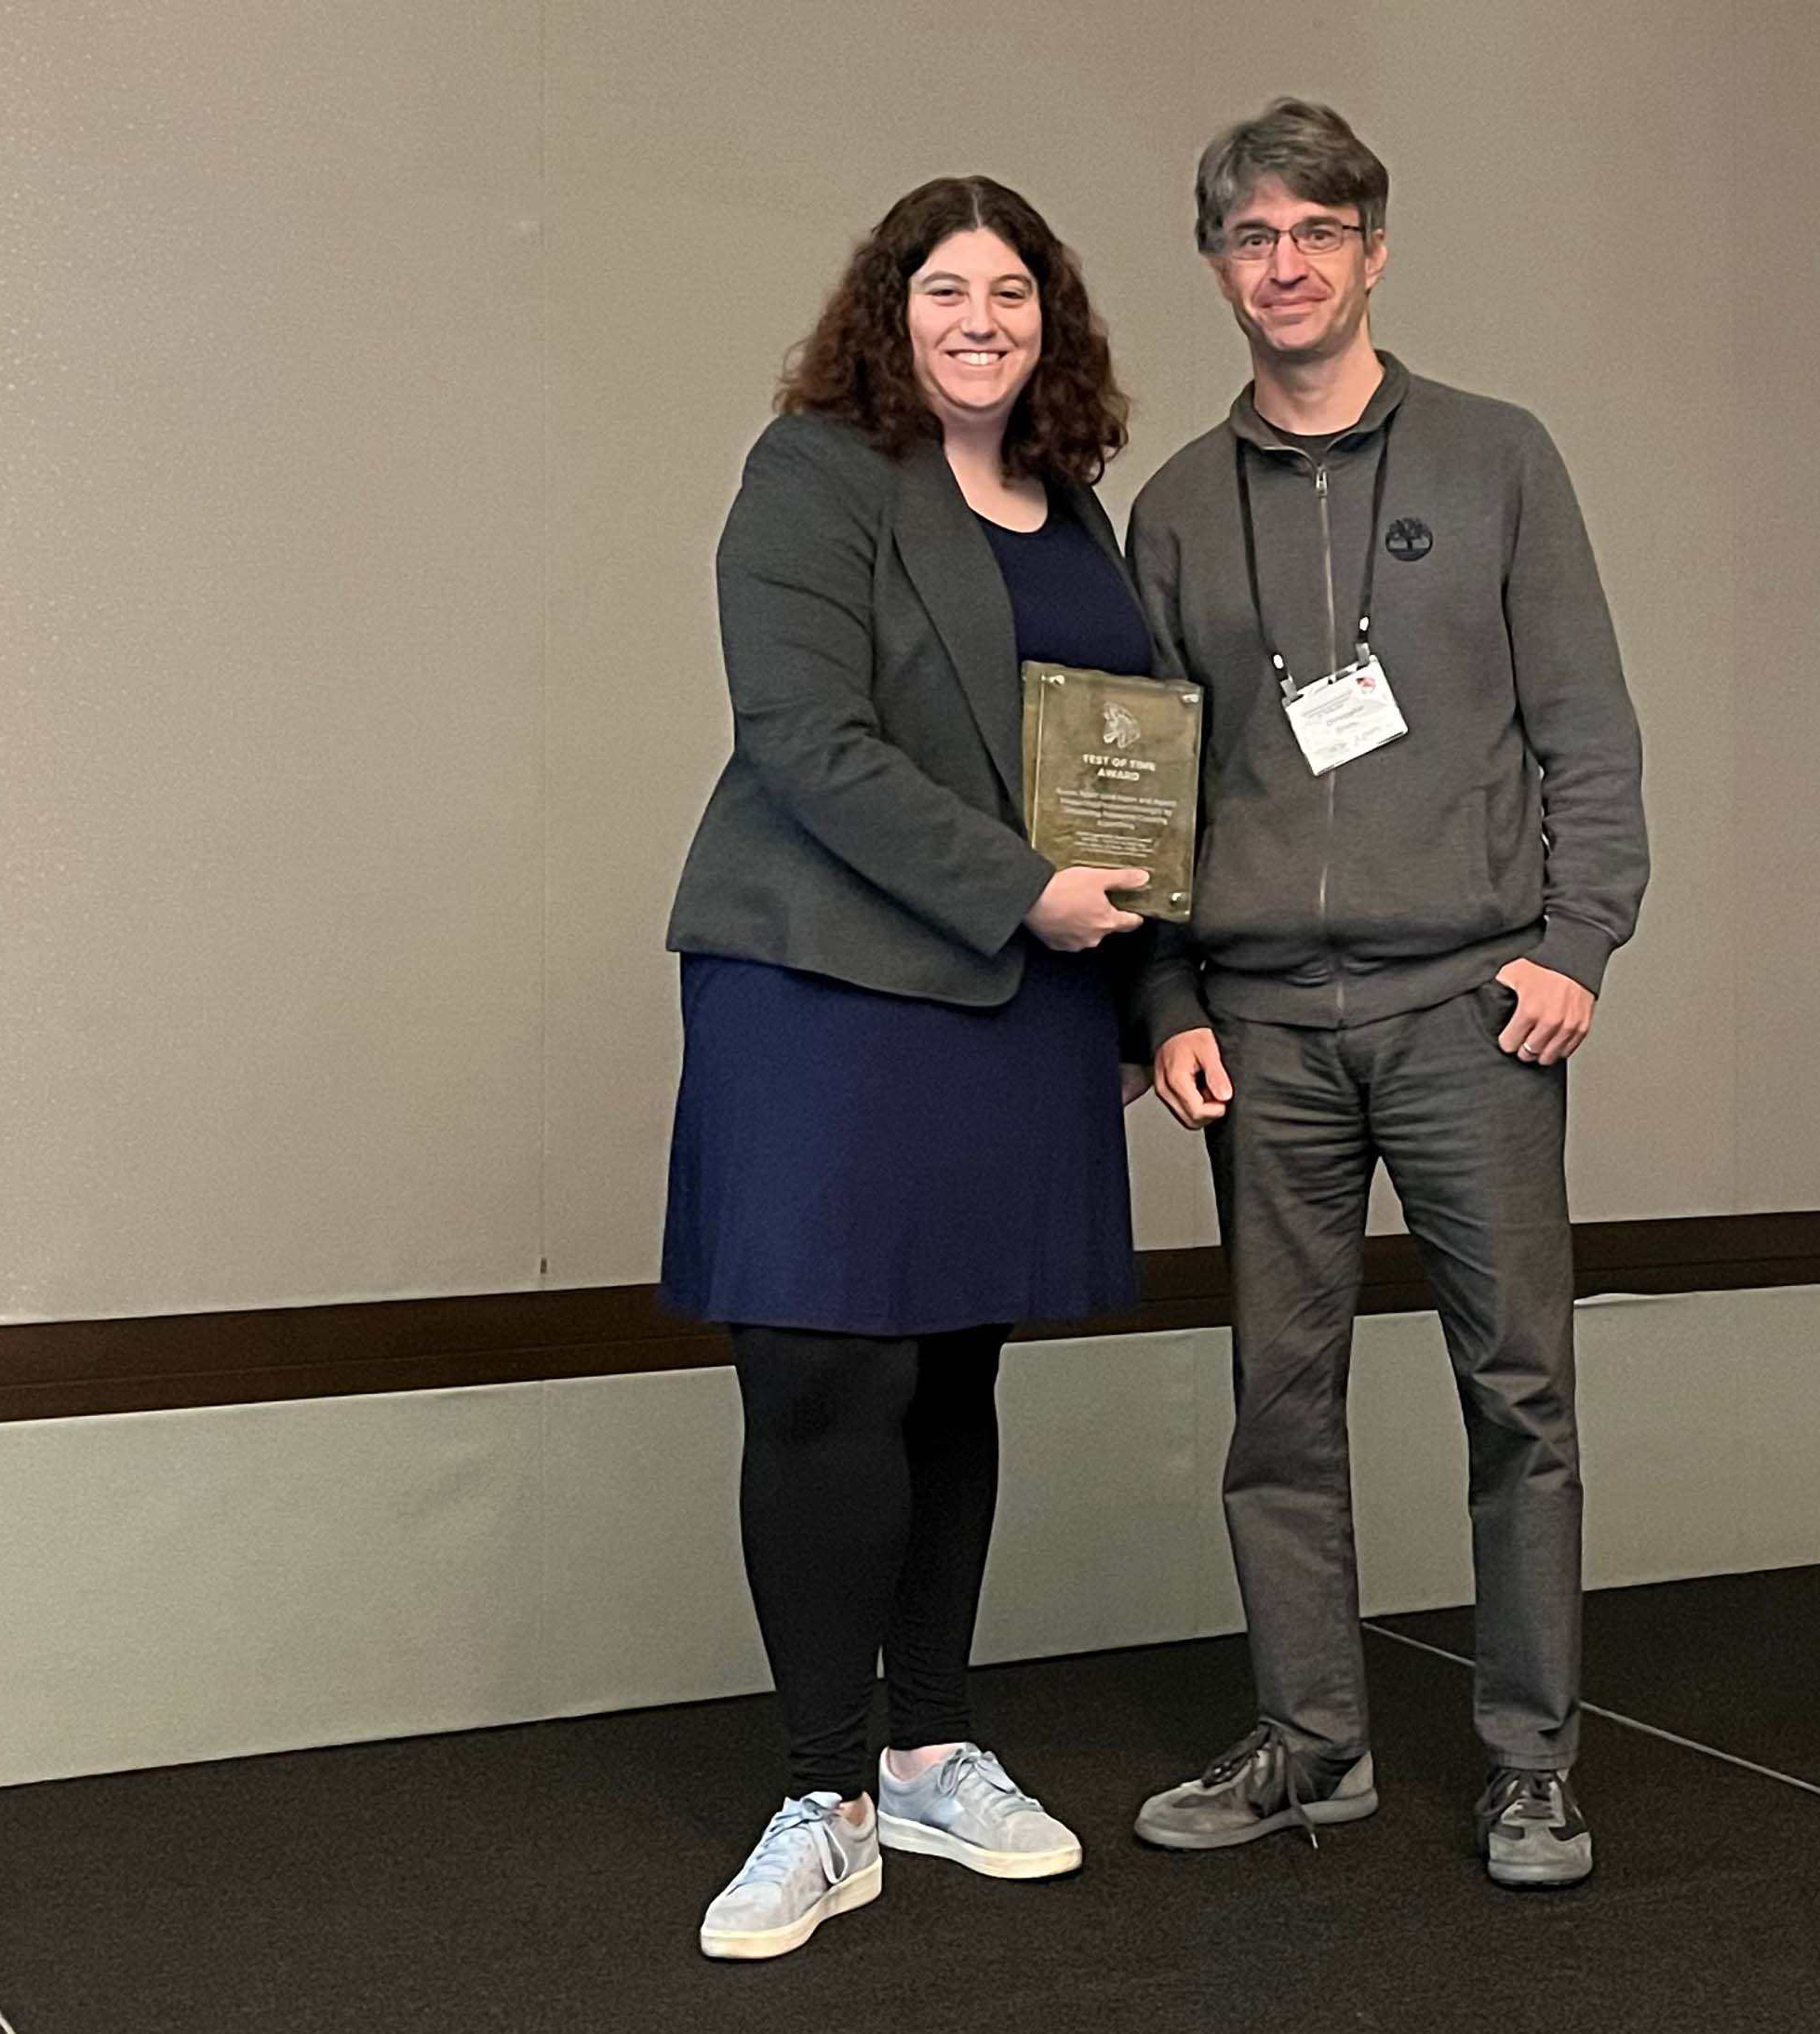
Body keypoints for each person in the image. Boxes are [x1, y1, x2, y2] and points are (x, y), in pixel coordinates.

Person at [1124, 100, 1648, 1889]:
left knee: (1519, 1388)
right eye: (1250, 239)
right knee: (1282, 1395)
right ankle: (1311, 1740)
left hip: (1467, 1009)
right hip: (1259, 1022)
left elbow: (1587, 724)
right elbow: (1149, 789)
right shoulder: (1177, 507)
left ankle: (1529, 1761)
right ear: (1218, 269)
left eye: (1315, 232)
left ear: (1372, 248)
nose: (1285, 266)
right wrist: (1166, 997)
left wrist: (1577, 943)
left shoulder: (1501, 458)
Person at [660, 175, 1158, 1960]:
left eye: (1010, 289)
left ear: (1052, 318)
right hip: (824, 979)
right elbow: (801, 737)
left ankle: (934, 1749)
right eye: (943, 287)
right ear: (890, 308)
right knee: (819, 1376)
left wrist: (1150, 999)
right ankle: (825, 1796)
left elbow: (1132, 780)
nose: (979, 317)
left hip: (1023, 1004)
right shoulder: (811, 472)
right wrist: (1026, 892)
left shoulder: (1075, 508)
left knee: (954, 1374)